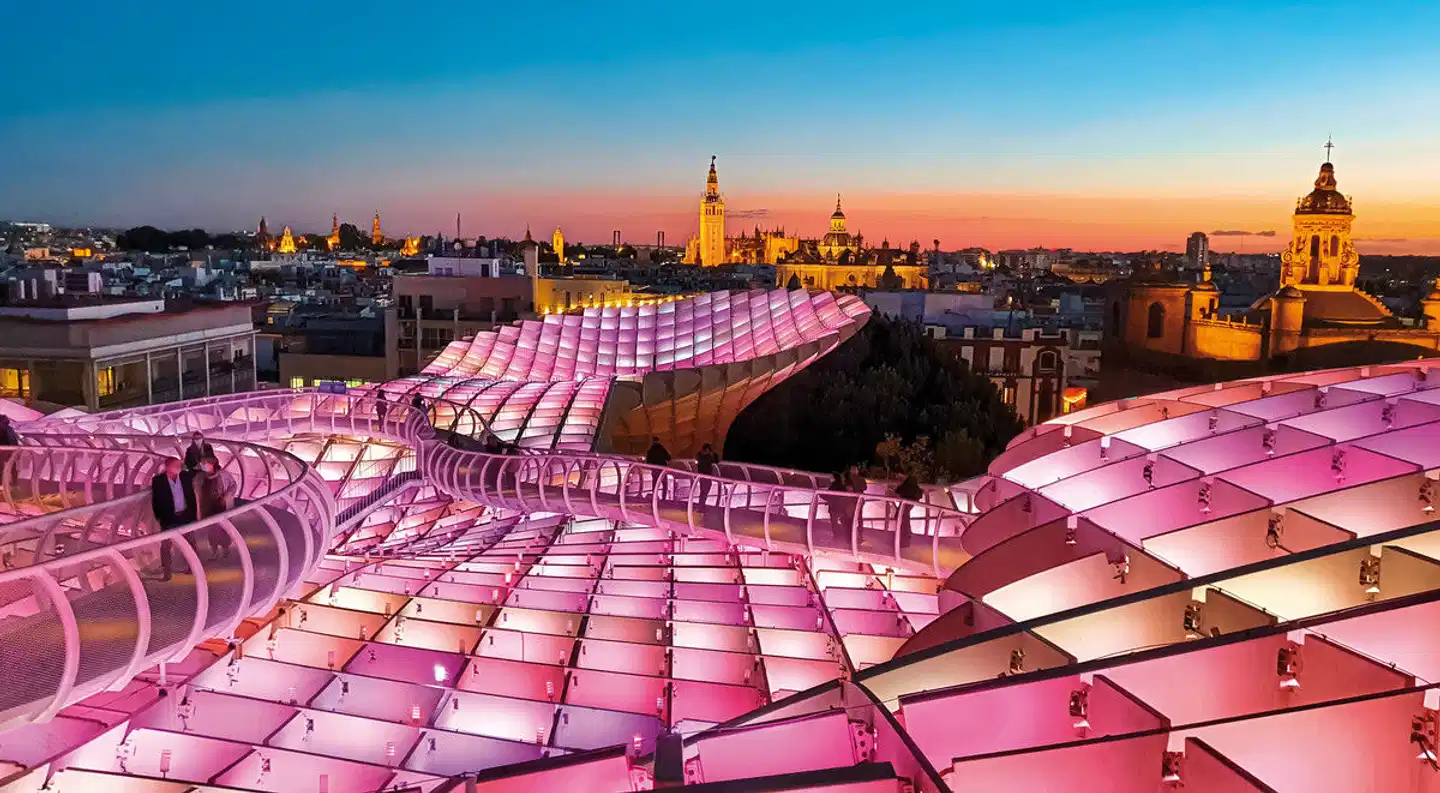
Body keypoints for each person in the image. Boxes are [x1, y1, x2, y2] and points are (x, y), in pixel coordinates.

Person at [150, 457, 197, 581]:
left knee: (191, 543)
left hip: (185, 516)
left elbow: (191, 497)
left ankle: (193, 567)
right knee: (166, 546)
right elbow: (156, 501)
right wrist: (159, 517)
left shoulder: (185, 477)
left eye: (179, 465)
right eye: (176, 465)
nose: (179, 467)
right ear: (167, 467)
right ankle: (167, 572)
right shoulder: (158, 481)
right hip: (169, 518)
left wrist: (194, 515)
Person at [195, 455, 237, 560]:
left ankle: (225, 549)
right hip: (208, 507)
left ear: (212, 464)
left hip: (222, 507)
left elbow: (233, 486)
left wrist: (225, 498)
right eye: (201, 464)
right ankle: (214, 551)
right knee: (211, 530)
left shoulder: (224, 475)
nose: (202, 466)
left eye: (204, 464)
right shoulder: (201, 476)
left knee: (224, 529)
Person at [894, 472, 924, 548]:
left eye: (898, 475)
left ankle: (904, 541)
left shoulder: (907, 484)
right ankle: (905, 540)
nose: (897, 477)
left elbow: (899, 491)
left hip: (906, 502)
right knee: (904, 519)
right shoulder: (911, 482)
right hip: (909, 502)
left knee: (903, 520)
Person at [825, 472, 853, 541]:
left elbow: (829, 496)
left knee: (835, 522)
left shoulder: (834, 485)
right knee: (843, 522)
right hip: (842, 508)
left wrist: (822, 495)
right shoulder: (841, 486)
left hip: (835, 508)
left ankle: (838, 536)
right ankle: (845, 536)